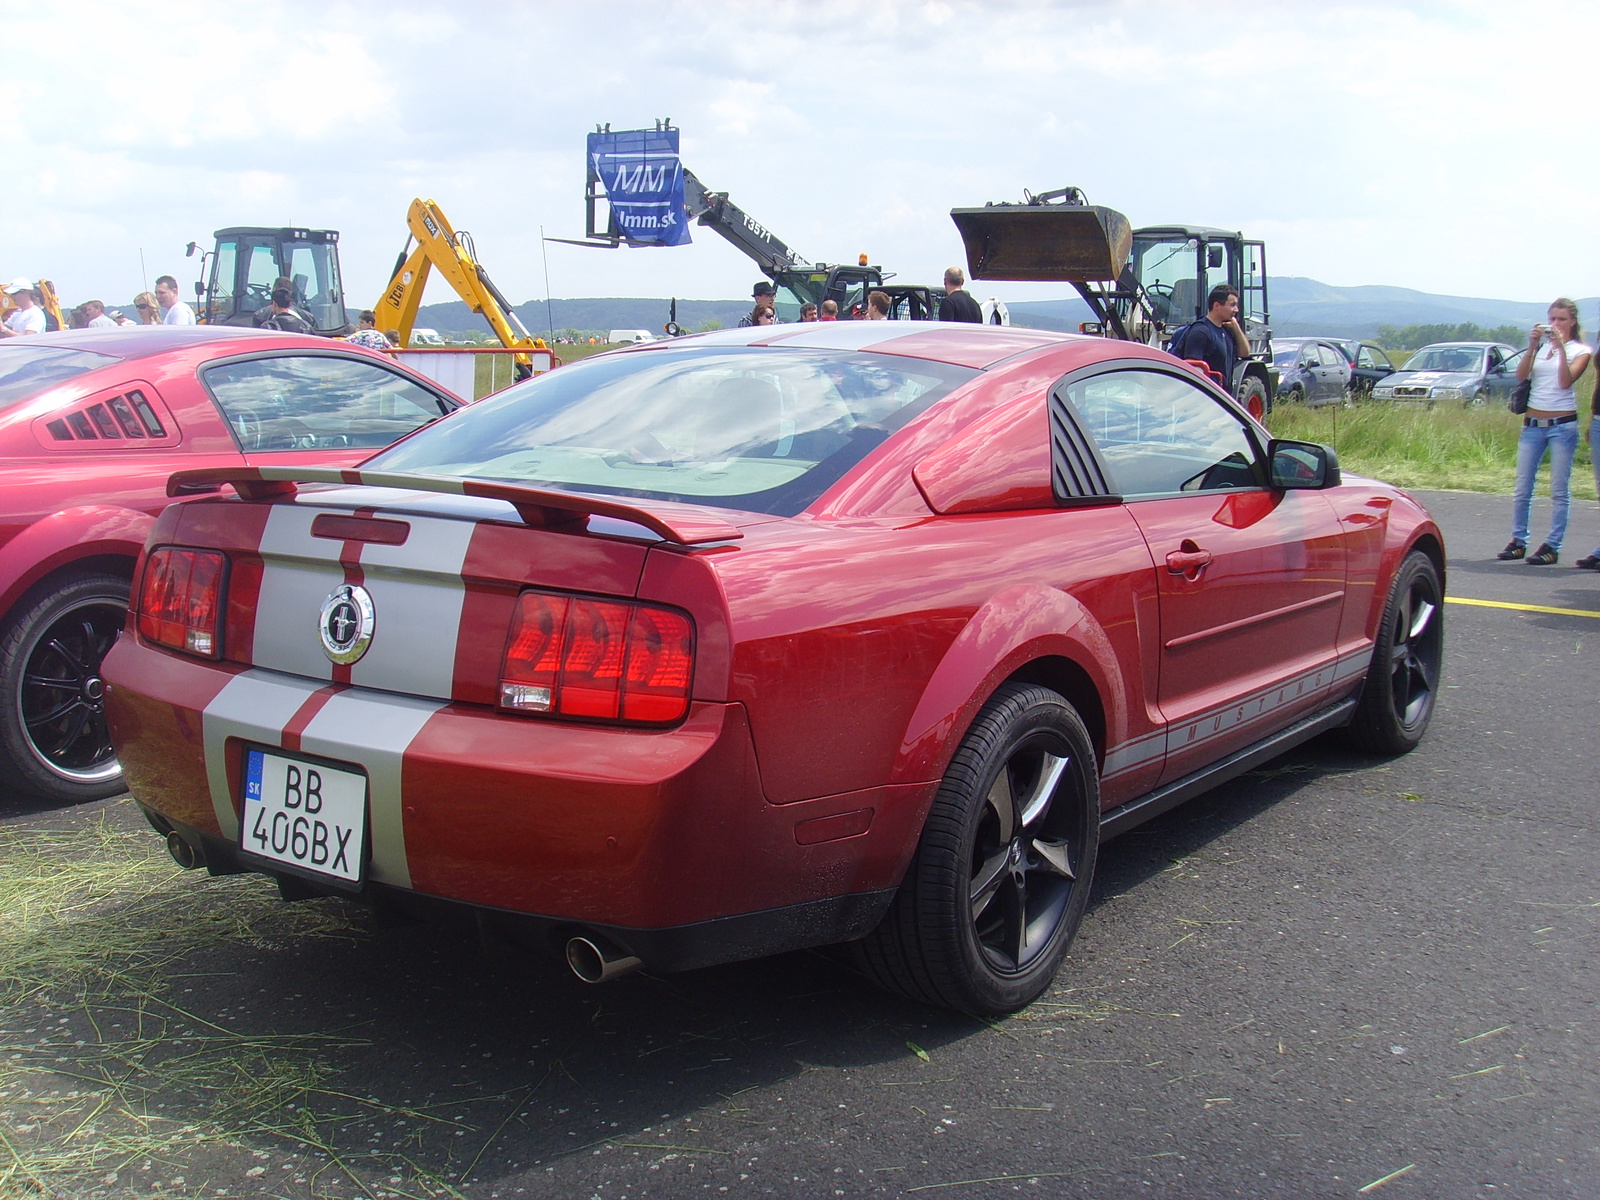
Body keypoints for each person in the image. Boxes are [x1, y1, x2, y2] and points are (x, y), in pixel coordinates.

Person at [1499, 299, 1592, 565]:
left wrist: (1561, 349)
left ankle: (1552, 544)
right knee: (1522, 486)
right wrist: (1532, 346)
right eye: (1552, 319)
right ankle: (1518, 540)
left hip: (1562, 424)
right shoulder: (1540, 349)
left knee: (1559, 489)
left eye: (1561, 319)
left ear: (1572, 321)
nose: (1555, 325)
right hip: (1532, 424)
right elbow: (1520, 375)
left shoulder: (1580, 350)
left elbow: (1565, 382)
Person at [1167, 284, 1251, 386]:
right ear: (1216, 306)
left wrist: (1237, 328)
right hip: (1207, 397)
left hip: (1222, 395)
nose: (1236, 310)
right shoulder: (1201, 332)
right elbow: (1193, 370)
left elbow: (1244, 353)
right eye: (1232, 305)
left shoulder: (1228, 330)